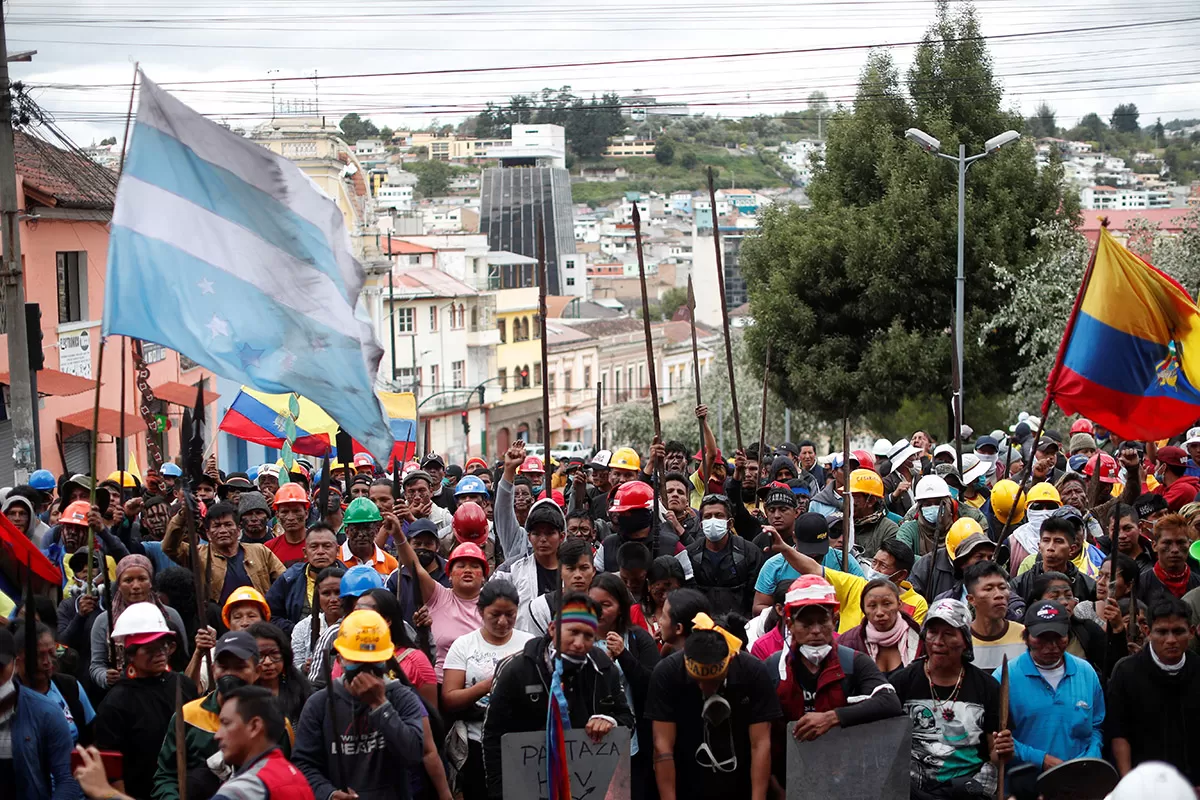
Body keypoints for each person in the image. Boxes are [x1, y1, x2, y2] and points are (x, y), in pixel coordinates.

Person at [482, 593, 633, 799]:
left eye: (588, 635)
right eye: (573, 632)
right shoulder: (517, 669)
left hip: (587, 786)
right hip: (528, 786)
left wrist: (609, 721)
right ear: (553, 629)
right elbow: (492, 737)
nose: (579, 643)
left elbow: (627, 720)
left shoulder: (605, 670)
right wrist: (500, 793)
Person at [646, 610, 782, 800]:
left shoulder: (753, 672)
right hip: (686, 783)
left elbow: (760, 744)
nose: (705, 687)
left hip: (740, 785)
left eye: (713, 680)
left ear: (731, 659)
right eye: (698, 681)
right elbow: (662, 747)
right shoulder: (667, 673)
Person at [292, 609, 428, 800]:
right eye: (357, 661)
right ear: (340, 660)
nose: (366, 669)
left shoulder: (401, 698)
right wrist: (328, 794)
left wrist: (381, 705)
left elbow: (413, 754)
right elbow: (304, 763)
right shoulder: (320, 704)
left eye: (373, 662)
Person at [891, 599, 1013, 799]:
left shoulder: (987, 687)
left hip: (968, 790)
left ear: (965, 640)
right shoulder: (902, 682)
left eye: (948, 634)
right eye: (932, 633)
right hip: (912, 789)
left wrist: (1003, 751)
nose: (938, 641)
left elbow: (994, 754)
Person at [1000, 600, 1105, 800]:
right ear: (1027, 636)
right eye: (1042, 638)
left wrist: (1088, 758)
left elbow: (1097, 726)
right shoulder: (1006, 677)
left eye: (1058, 638)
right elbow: (999, 738)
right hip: (1027, 788)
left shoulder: (1085, 672)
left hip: (1078, 787)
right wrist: (1042, 760)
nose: (1052, 646)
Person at [93, 602, 197, 799]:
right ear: (131, 654)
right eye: (150, 648)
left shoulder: (183, 685)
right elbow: (111, 767)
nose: (160, 653)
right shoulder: (116, 702)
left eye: (163, 646)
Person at [442, 580, 533, 800]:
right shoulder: (464, 645)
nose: (503, 622)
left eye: (510, 614)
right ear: (481, 612)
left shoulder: (530, 644)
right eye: (495, 615)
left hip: (521, 742)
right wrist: (492, 682)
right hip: (477, 743)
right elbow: (450, 699)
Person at [153, 631, 263, 800]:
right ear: (213, 669)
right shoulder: (187, 716)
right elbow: (166, 776)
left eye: (240, 667)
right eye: (224, 667)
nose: (230, 674)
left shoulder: (272, 723)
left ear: (257, 671)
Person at [761, 524, 928, 632]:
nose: (874, 570)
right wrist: (784, 548)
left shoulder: (917, 604)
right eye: (874, 562)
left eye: (882, 566)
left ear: (900, 575)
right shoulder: (856, 584)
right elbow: (813, 568)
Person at [1107, 596, 1199, 784]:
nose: (1171, 640)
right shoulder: (1126, 672)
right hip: (1144, 783)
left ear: (1190, 632)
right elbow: (1119, 732)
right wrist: (1128, 783)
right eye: (1162, 632)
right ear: (1147, 631)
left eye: (1178, 631)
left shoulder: (1198, 668)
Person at [590, 573, 661, 798]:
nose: (599, 611)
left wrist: (624, 656)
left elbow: (652, 687)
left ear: (621, 607)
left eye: (606, 605)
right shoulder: (577, 638)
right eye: (593, 604)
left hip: (632, 739)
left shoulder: (637, 638)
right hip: (585, 739)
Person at [396, 522, 485, 681]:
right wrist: (398, 535)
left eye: (474, 566)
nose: (467, 570)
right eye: (461, 565)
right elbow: (414, 566)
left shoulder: (492, 604)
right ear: (449, 574)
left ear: (484, 576)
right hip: (438, 684)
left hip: (482, 687)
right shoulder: (438, 596)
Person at [0, 626, 82, 799]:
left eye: (0, 668)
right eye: (39, 655)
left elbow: (67, 778)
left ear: (15, 663)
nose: (46, 662)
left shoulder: (46, 711)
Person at [89, 555, 190, 693]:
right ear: (118, 585)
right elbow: (96, 664)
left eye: (142, 579)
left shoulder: (170, 616)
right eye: (128, 580)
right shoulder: (104, 621)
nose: (135, 586)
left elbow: (182, 658)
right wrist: (106, 677)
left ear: (150, 582)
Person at [162, 501, 286, 603]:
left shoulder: (260, 551)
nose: (223, 530)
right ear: (208, 533)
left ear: (238, 530)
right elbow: (169, 547)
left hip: (259, 619)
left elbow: (284, 581)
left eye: (228, 524)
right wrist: (182, 515)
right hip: (218, 625)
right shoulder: (197, 554)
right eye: (216, 526)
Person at [339, 589, 437, 707]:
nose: (359, 621)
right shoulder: (345, 654)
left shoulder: (416, 661)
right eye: (356, 614)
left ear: (387, 620)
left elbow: (429, 715)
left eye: (367, 615)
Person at [751, 512, 865, 615]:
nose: (814, 556)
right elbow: (758, 607)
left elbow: (864, 594)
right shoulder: (775, 566)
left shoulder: (843, 561)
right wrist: (795, 612)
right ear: (795, 537)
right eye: (809, 551)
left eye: (819, 551)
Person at [1027, 571, 1127, 682]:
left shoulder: (1087, 629)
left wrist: (1118, 630)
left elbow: (1113, 668)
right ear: (1037, 603)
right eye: (1055, 597)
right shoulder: (1025, 633)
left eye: (1069, 596)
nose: (1064, 602)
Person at [14, 622, 94, 745]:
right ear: (18, 660)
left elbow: (91, 735)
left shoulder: (70, 686)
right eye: (39, 656)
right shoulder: (11, 698)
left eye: (51, 652)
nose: (47, 662)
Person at [305, 565, 384, 687]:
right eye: (358, 600)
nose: (366, 606)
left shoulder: (400, 628)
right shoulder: (334, 634)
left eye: (372, 600)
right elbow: (315, 684)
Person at [596, 480, 693, 579]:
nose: (620, 516)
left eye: (627, 512)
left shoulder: (673, 546)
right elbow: (595, 582)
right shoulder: (607, 545)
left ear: (645, 513)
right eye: (620, 512)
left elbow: (689, 583)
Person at [686, 493, 763, 616]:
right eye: (707, 516)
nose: (712, 520)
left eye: (718, 515)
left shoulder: (749, 553)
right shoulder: (690, 554)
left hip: (739, 626)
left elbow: (754, 597)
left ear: (730, 523)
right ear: (701, 524)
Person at [264, 524, 343, 634]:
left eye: (327, 546)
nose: (320, 551)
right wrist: (297, 631)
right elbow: (269, 615)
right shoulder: (289, 579)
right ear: (305, 552)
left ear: (338, 550)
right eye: (314, 547)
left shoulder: (350, 580)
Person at [836, 578, 923, 676]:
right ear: (863, 608)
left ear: (899, 604)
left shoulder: (919, 641)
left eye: (887, 604)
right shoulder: (847, 643)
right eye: (872, 605)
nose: (880, 612)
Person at [492, 494, 564, 611]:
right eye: (536, 533)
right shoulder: (512, 570)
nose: (543, 539)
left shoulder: (574, 570)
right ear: (529, 537)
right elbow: (487, 601)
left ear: (561, 536)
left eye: (549, 533)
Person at [516, 536, 595, 638]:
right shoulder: (540, 607)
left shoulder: (603, 604)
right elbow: (539, 648)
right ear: (560, 571)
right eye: (570, 569)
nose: (578, 575)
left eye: (584, 568)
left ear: (593, 571)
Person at [1010, 515, 1096, 604]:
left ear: (1072, 549)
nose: (1050, 547)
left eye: (1058, 541)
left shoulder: (1088, 586)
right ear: (1039, 546)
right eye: (1046, 540)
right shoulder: (1020, 585)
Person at [912, 517, 996, 604]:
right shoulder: (927, 564)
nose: (986, 561)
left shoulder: (994, 574)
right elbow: (912, 600)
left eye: (989, 557)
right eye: (979, 556)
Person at [245, 622, 311, 727]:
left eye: (274, 654)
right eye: (259, 656)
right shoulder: (240, 695)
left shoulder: (302, 690)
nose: (267, 662)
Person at [966, 561, 1026, 671]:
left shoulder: (1025, 636)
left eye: (1003, 587)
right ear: (971, 599)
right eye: (988, 589)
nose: (999, 595)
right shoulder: (962, 640)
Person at [290, 566, 345, 673]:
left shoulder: (356, 625)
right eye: (326, 593)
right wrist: (304, 668)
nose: (333, 599)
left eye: (338, 592)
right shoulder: (303, 627)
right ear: (317, 596)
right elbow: (294, 667)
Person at [1138, 513, 1200, 606]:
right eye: (1167, 543)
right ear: (1154, 546)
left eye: (1180, 542)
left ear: (1189, 545)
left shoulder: (1198, 583)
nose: (1175, 549)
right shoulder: (1140, 585)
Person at [339, 498, 400, 577]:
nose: (361, 534)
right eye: (356, 529)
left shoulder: (390, 563)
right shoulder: (336, 559)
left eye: (367, 528)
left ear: (377, 530)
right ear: (347, 531)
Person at [642, 555, 686, 646]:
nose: (666, 597)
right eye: (659, 592)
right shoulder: (633, 614)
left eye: (673, 592)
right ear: (649, 586)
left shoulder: (691, 615)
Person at [263, 485, 311, 567]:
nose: (291, 517)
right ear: (277, 516)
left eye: (296, 511)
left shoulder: (319, 545)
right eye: (285, 512)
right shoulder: (268, 549)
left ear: (306, 514)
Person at [657, 588, 712, 657]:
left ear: (678, 628)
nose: (660, 621)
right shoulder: (668, 649)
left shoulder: (672, 665)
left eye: (664, 617)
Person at [1151, 446, 1200, 512]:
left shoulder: (1184, 489)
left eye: (1156, 464)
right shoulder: (1163, 487)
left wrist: (1143, 482)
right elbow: (1139, 503)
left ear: (1163, 467)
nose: (1154, 468)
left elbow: (1150, 510)